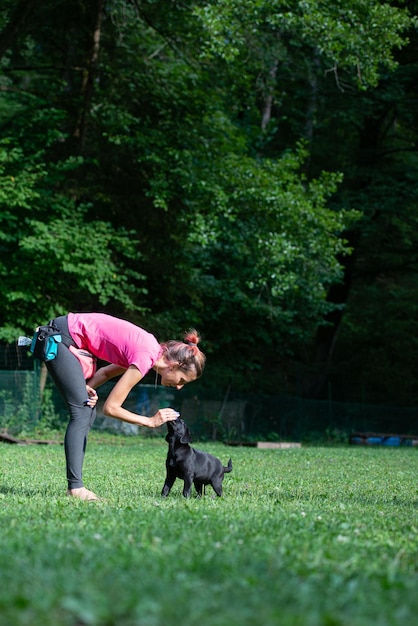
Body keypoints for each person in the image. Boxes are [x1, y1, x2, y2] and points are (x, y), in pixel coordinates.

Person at [43, 312, 206, 501]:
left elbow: (105, 373)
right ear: (175, 365)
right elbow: (111, 408)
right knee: (82, 411)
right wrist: (149, 421)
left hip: (65, 333)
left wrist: (86, 388)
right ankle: (75, 488)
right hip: (60, 336)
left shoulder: (150, 349)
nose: (179, 386)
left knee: (86, 410)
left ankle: (75, 485)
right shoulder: (146, 356)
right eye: (182, 380)